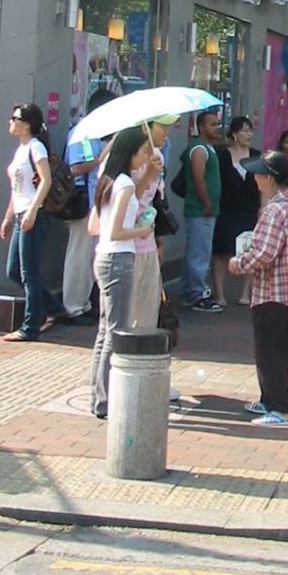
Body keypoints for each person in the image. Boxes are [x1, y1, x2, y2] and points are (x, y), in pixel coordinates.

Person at [228, 150, 288, 426]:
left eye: (258, 174)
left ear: (268, 178)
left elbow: (264, 253)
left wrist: (238, 263)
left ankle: (281, 409)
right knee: (277, 349)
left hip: (274, 293)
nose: (254, 178)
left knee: (270, 353)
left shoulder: (275, 210)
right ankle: (268, 400)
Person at [89, 126, 157, 418]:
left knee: (105, 330)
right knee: (115, 331)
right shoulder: (125, 184)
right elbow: (117, 231)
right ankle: (106, 399)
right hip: (118, 258)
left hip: (105, 257)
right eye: (142, 151)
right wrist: (142, 230)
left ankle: (99, 395)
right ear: (130, 153)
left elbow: (101, 226)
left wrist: (149, 175)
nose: (146, 156)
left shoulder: (111, 180)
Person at [1, 102, 64, 342]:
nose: (11, 122)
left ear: (26, 125)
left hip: (33, 215)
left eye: (15, 118)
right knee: (14, 270)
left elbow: (45, 181)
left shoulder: (36, 147)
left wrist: (33, 211)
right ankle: (53, 307)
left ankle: (30, 326)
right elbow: (17, 189)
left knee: (29, 272)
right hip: (21, 214)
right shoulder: (21, 149)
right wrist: (8, 218)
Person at [60, 90, 110, 322]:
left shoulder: (97, 135)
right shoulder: (82, 133)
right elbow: (76, 167)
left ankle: (85, 302)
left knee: (91, 257)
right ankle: (73, 306)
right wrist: (101, 158)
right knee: (78, 256)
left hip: (96, 204)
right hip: (83, 203)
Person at [129, 117, 178, 332]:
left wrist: (159, 241)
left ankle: (146, 345)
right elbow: (126, 201)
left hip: (148, 241)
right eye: (162, 127)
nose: (167, 132)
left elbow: (156, 202)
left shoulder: (158, 156)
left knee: (149, 307)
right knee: (129, 311)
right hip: (127, 245)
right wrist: (148, 174)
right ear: (145, 128)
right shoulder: (126, 159)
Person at [212, 116, 261, 306]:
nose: (249, 134)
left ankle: (245, 293)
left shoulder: (256, 155)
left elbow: (263, 184)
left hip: (250, 209)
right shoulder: (222, 156)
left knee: (249, 250)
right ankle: (219, 294)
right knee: (221, 251)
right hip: (226, 209)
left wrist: (263, 207)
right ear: (234, 133)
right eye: (244, 130)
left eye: (250, 130)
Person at [179, 108, 222, 311]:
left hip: (204, 209)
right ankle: (197, 293)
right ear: (201, 127)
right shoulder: (199, 149)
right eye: (212, 124)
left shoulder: (207, 147)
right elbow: (198, 177)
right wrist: (206, 203)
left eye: (217, 124)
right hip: (200, 209)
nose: (217, 128)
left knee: (196, 250)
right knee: (200, 253)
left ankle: (189, 290)